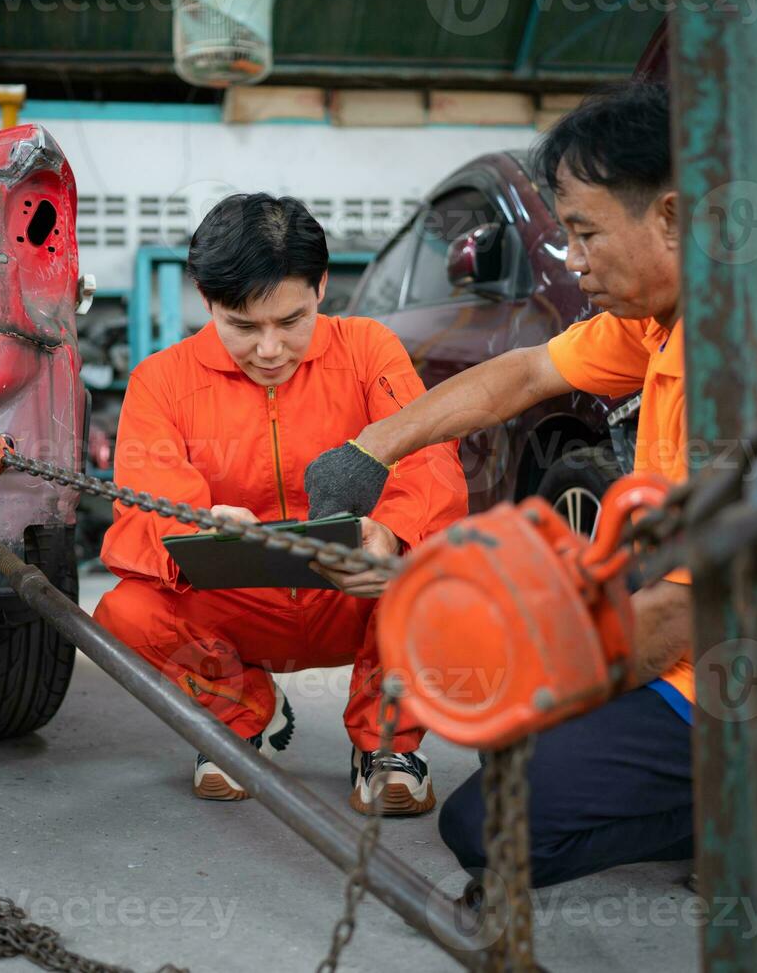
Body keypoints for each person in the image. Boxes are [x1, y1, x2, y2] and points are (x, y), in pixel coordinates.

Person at [303, 82, 695, 884]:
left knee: (487, 829)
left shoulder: (726, 368)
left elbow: (691, 611)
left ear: (671, 216)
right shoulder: (657, 321)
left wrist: (526, 665)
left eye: (584, 234)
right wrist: (369, 451)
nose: (574, 262)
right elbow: (521, 374)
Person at [92, 193, 468, 815]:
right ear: (207, 301)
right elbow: (147, 500)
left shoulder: (370, 349)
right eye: (243, 326)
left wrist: (393, 537)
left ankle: (387, 745)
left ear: (322, 286)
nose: (270, 350)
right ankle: (241, 715)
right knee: (126, 612)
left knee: (439, 567)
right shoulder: (161, 381)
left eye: (291, 321)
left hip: (357, 593)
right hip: (237, 606)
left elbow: (429, 464)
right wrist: (200, 524)